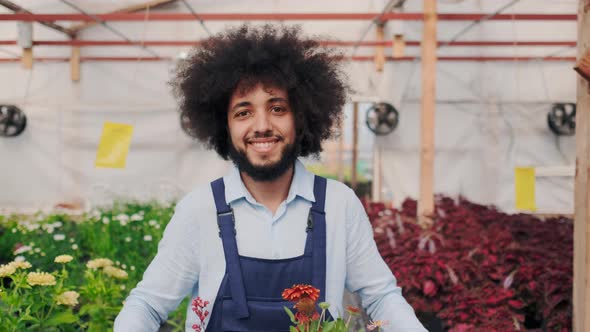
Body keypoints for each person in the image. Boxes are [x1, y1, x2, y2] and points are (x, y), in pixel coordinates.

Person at [114, 24, 426, 331]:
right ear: (224, 126)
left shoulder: (338, 205)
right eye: (243, 112)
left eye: (277, 108)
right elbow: (147, 305)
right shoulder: (200, 210)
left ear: (301, 117)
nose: (262, 125)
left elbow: (382, 298)